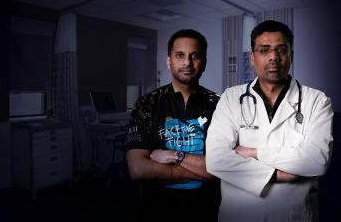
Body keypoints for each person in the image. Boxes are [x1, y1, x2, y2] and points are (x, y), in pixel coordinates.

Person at [206, 20, 334, 222]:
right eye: (264, 50)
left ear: (291, 56)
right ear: (252, 58)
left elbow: (317, 161)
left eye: (281, 50)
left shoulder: (316, 100)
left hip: (295, 215)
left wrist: (253, 152)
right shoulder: (231, 98)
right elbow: (215, 160)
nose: (274, 57)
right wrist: (280, 175)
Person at [126, 29, 221, 222]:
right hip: (156, 212)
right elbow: (137, 168)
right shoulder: (146, 104)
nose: (187, 63)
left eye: (195, 56)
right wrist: (202, 172)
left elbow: (221, 167)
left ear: (204, 62)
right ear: (169, 60)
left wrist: (172, 155)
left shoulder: (220, 105)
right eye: (180, 55)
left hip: (206, 212)